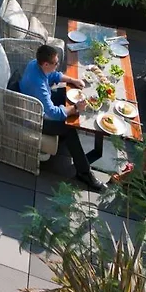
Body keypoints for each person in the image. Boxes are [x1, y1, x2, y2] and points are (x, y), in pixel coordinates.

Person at [19, 44, 106, 191]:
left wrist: (72, 80)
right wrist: (75, 109)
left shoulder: (35, 64)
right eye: (56, 63)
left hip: (37, 103)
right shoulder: (38, 84)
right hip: (35, 118)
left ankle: (73, 119)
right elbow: (53, 113)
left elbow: (53, 75)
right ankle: (84, 173)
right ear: (46, 64)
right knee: (69, 129)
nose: (58, 64)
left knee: (67, 93)